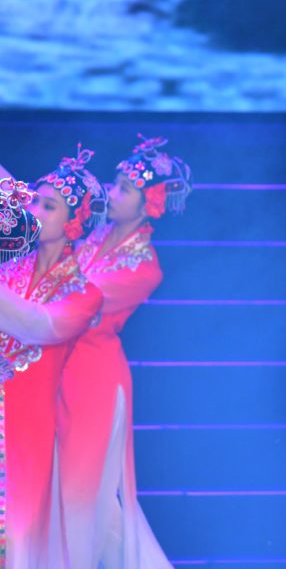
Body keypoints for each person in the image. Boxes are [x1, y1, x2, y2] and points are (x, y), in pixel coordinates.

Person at [57, 136, 192, 568]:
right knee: (73, 494)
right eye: (113, 184)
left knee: (83, 492)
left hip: (95, 382)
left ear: (148, 202)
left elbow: (79, 302)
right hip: (61, 372)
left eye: (124, 188)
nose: (111, 193)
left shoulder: (144, 267)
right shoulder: (89, 240)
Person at [1, 150, 104, 568]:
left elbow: (37, 326)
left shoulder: (85, 295)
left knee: (19, 533)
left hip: (29, 426)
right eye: (33, 203)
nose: (35, 212)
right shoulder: (8, 269)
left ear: (74, 221)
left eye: (49, 206)